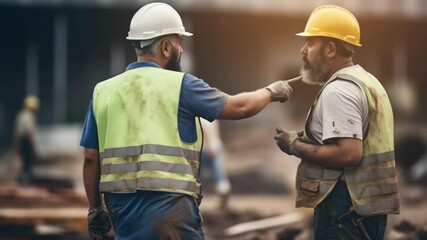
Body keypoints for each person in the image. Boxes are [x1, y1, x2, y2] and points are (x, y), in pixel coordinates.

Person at [80, 2, 293, 239]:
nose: (181, 50)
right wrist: (271, 91)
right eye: (179, 43)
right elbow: (239, 107)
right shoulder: (181, 85)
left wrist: (95, 209)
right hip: (170, 207)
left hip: (121, 209)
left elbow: (91, 158)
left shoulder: (102, 91)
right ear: (165, 47)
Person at [274, 5, 399, 240]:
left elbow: (349, 154)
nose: (303, 50)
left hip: (345, 209)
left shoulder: (339, 90)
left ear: (330, 49)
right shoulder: (367, 81)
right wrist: (307, 135)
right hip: (364, 207)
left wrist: (294, 146)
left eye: (310, 43)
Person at [200, 118, 231, 210]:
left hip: (205, 148)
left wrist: (209, 147)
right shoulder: (213, 116)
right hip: (216, 147)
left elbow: (204, 131)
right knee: (218, 172)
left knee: (198, 175)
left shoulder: (201, 117)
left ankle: (194, 197)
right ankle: (224, 190)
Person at [14, 95, 40, 184]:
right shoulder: (29, 116)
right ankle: (26, 179)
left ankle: (24, 177)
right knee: (28, 160)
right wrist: (33, 146)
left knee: (24, 160)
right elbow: (29, 132)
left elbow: (16, 132)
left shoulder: (21, 114)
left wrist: (16, 144)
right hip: (26, 141)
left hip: (21, 140)